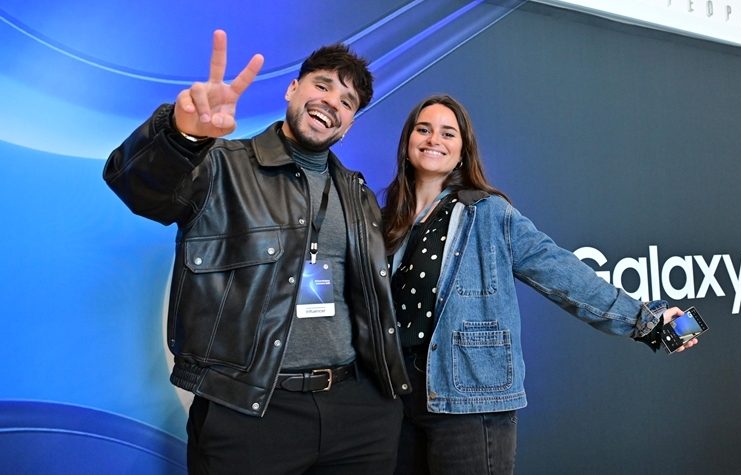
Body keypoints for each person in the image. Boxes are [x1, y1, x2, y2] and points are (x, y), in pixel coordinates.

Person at [103, 30, 410, 474]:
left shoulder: (358, 194)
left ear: (349, 125)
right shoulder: (221, 165)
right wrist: (182, 135)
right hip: (250, 410)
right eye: (322, 85)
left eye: (347, 102)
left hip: (357, 411)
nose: (331, 102)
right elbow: (136, 187)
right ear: (292, 88)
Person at [382, 95, 698, 475]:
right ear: (408, 141)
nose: (434, 139)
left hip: (470, 396)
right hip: (397, 398)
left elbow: (562, 273)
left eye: (448, 133)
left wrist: (645, 320)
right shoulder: (387, 221)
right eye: (424, 129)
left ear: (463, 151)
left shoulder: (490, 213)